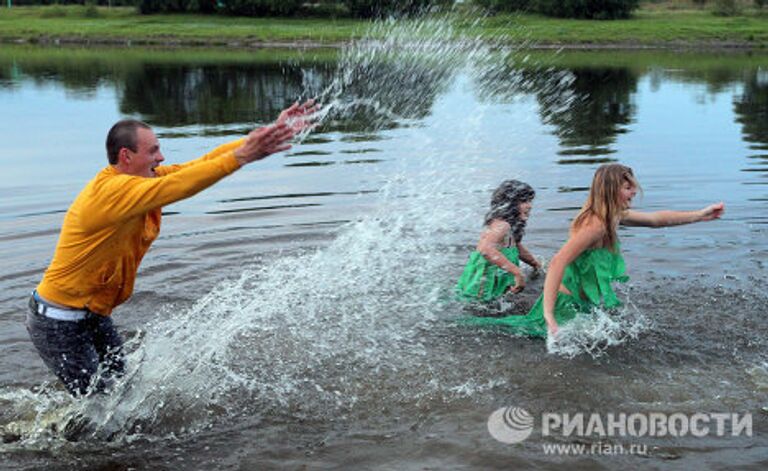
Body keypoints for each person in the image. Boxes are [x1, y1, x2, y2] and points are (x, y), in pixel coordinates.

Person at [26, 100, 317, 396]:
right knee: (98, 406)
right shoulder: (111, 192)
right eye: (152, 151)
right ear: (126, 156)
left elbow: (196, 167)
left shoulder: (141, 180)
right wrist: (241, 157)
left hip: (93, 314)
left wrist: (265, 136)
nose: (161, 157)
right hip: (58, 323)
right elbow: (181, 187)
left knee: (123, 393)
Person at [465, 163, 725, 338]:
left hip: (582, 303)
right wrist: (548, 315)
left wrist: (699, 215)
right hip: (565, 306)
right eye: (627, 187)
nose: (634, 191)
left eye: (632, 185)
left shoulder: (613, 215)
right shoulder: (596, 224)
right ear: (611, 189)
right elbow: (557, 262)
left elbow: (656, 220)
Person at [456, 179, 542, 303]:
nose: (530, 205)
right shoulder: (502, 225)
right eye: (524, 201)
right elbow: (486, 250)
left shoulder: (509, 226)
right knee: (483, 306)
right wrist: (518, 273)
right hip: (484, 284)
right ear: (509, 204)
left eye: (530, 201)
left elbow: (516, 246)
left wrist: (535, 264)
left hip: (494, 280)